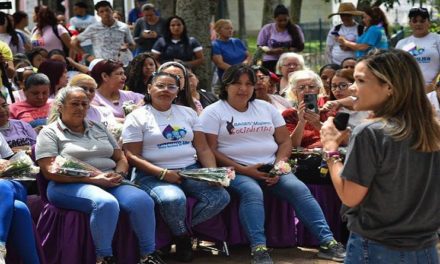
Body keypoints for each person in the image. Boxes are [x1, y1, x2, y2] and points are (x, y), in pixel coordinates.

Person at [200, 64, 345, 264]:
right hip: (236, 170)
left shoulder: (266, 108)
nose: (243, 88)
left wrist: (279, 165)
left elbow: (285, 142)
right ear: (225, 85)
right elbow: (211, 149)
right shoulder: (213, 112)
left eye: (248, 84)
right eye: (237, 83)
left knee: (298, 189)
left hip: (272, 167)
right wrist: (244, 170)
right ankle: (259, 249)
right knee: (252, 191)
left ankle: (328, 243)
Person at [320, 48, 440, 263]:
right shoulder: (432, 129)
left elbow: (350, 196)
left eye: (360, 81)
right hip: (426, 250)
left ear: (389, 87)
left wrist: (331, 150)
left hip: (376, 249)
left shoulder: (370, 132)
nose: (352, 88)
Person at [35, 86, 164, 264]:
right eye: (74, 103)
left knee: (142, 201)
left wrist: (119, 174)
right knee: (105, 203)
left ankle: (148, 255)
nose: (80, 108)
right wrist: (93, 179)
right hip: (68, 184)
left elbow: (121, 157)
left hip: (109, 179)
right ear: (60, 106)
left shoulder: (97, 128)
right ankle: (104, 257)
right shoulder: (49, 132)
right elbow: (50, 170)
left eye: (84, 104)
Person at [122, 71, 230, 262]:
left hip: (190, 169)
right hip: (151, 174)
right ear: (149, 89)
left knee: (220, 197)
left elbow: (203, 147)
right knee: (174, 198)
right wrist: (163, 173)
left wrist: (213, 173)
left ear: (178, 91)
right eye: (160, 85)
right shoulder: (137, 117)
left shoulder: (188, 113)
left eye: (171, 86)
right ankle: (182, 238)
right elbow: (131, 155)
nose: (165, 90)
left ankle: (177, 232)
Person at [0, 133, 41, 264]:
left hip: (8, 183)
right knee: (19, 209)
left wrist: (9, 165)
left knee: (4, 187)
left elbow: (9, 157)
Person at [396, 7, 440, 92]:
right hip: (409, 92)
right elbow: (397, 70)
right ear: (410, 23)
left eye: (422, 21)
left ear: (429, 23)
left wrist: (433, 86)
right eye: (414, 21)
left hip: (435, 92)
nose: (418, 24)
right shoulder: (401, 43)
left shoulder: (437, 39)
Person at [257, 4, 304, 72]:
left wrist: (289, 50)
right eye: (280, 20)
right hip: (270, 62)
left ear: (288, 17)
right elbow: (260, 47)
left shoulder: (295, 29)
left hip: (289, 62)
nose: (283, 23)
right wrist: (271, 51)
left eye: (285, 20)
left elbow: (301, 47)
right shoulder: (267, 29)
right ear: (274, 19)